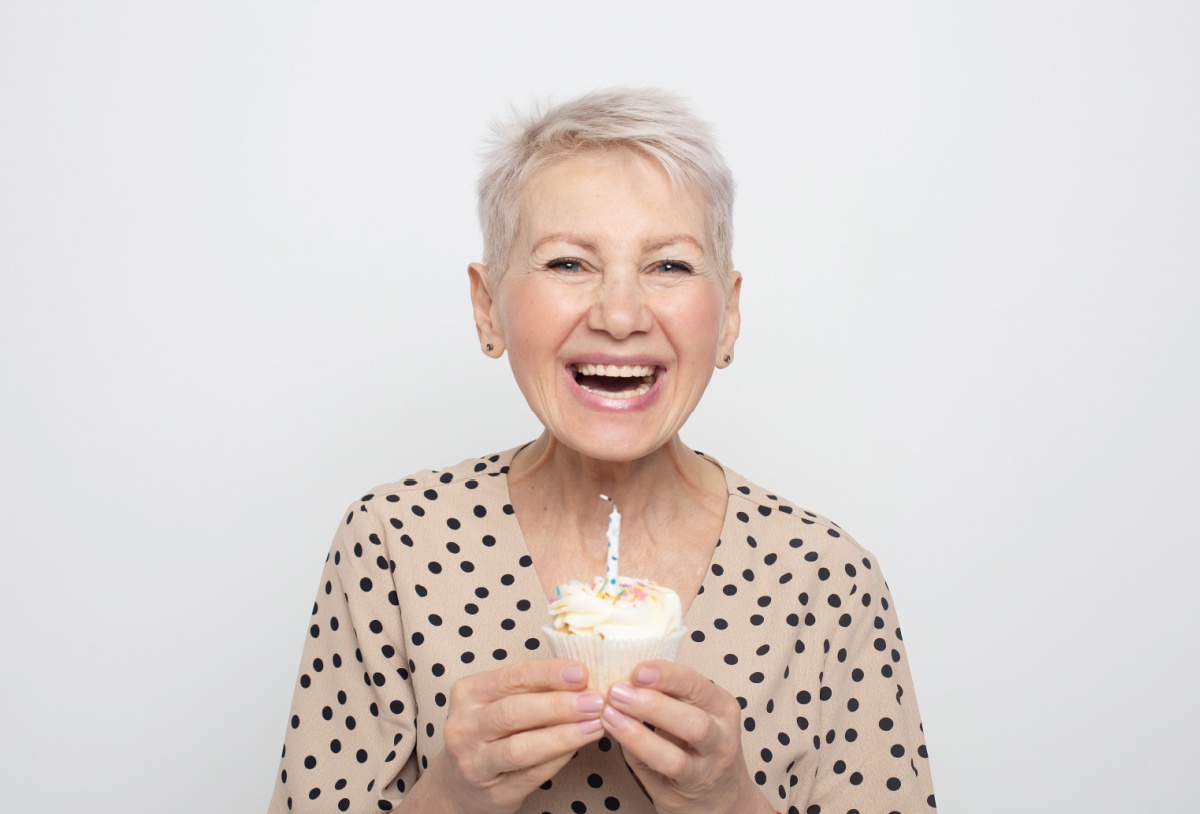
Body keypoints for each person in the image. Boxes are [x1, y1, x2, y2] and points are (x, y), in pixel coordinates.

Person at [268, 88, 937, 814]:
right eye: (567, 264)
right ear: (487, 306)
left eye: (671, 267)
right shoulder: (392, 545)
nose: (620, 315)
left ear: (729, 316)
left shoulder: (828, 582)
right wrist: (450, 798)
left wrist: (733, 804)